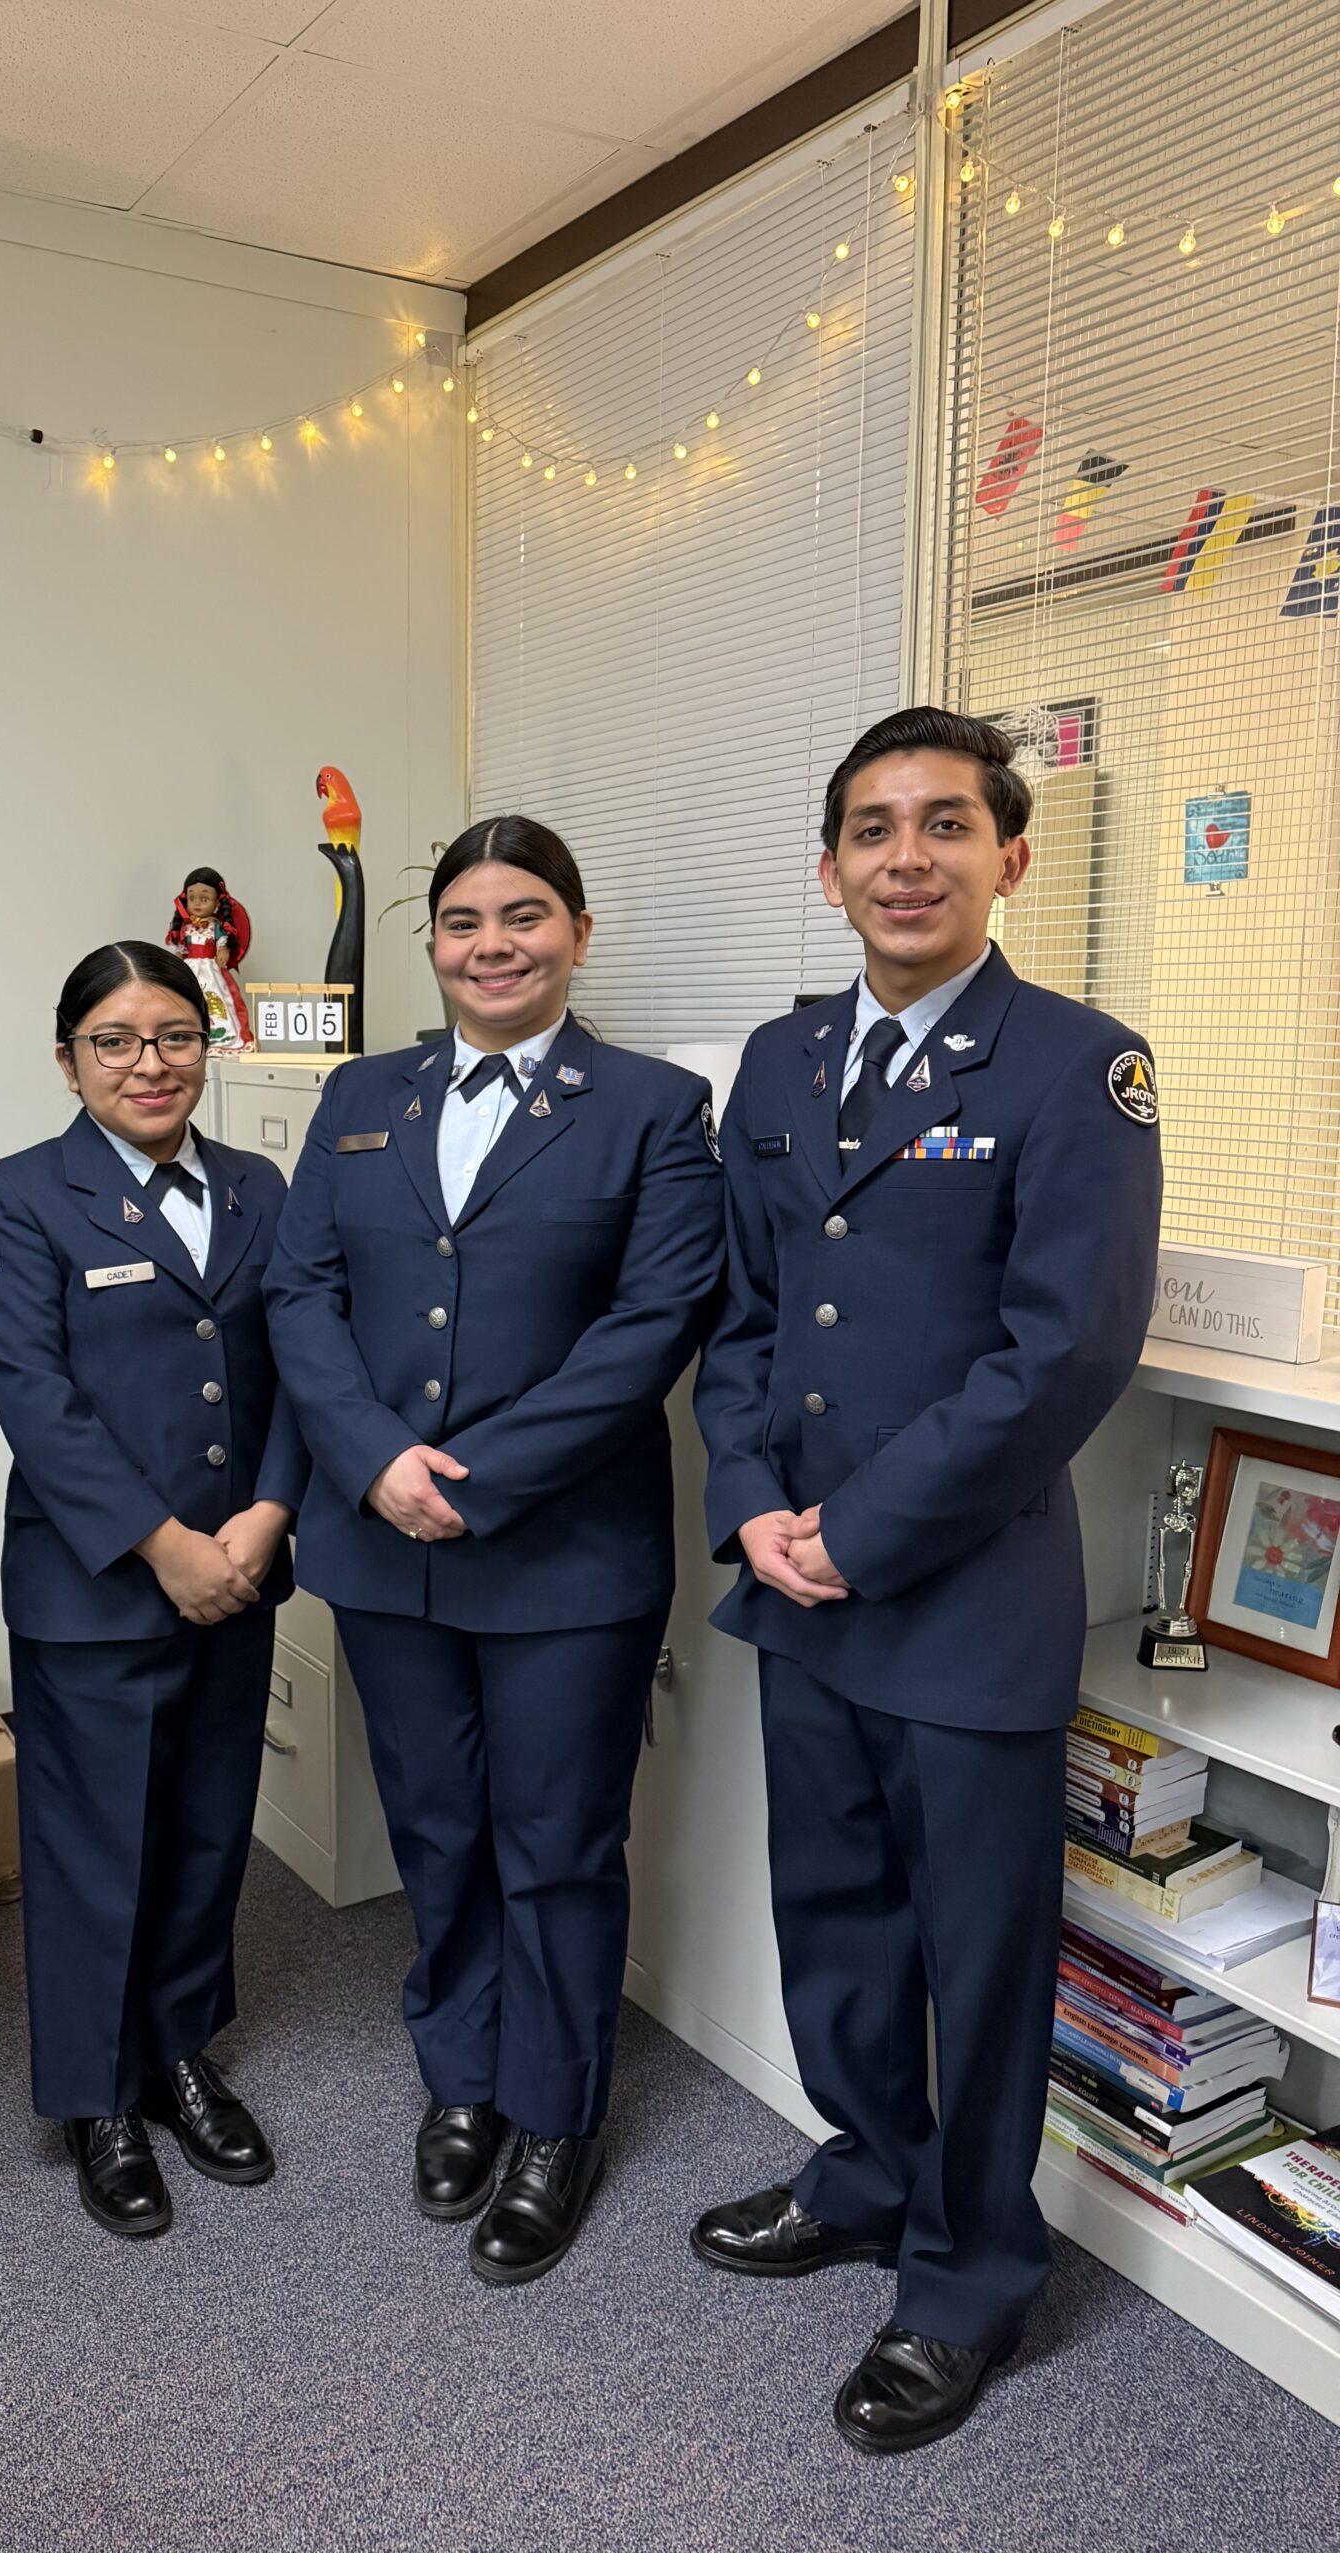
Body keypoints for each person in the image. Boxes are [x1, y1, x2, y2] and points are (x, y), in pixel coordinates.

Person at [690, 708, 1162, 2453]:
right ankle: (870, 2173)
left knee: (980, 1957)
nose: (908, 857)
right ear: (830, 871)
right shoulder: (787, 1058)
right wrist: (751, 1506)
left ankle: (967, 2277)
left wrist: (854, 1530)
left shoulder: (1076, 1066)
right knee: (837, 1921)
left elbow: (1061, 1356)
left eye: (945, 825)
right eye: (874, 830)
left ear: (1009, 857)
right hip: (798, 1588)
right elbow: (743, 1318)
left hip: (955, 1599)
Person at [264, 815, 725, 2284]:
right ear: (436, 945)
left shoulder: (653, 1108)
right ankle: (461, 2071)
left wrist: (483, 1477)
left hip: (563, 1554)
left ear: (577, 935)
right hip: (383, 1539)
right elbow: (301, 1296)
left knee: (558, 1841)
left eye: (525, 915)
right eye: (464, 921)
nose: (493, 944)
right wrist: (372, 1460)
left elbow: (654, 1324)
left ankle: (552, 2116)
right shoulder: (361, 1099)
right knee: (439, 1829)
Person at [0, 942, 307, 2236]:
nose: (149, 1063)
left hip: (245, 1571)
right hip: (101, 1585)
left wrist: (269, 1517)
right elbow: (33, 1402)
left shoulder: (259, 1188)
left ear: (203, 1050)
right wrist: (168, 1546)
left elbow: (296, 1365)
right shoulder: (19, 1198)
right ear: (68, 1061)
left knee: (209, 1828)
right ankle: (96, 2096)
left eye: (172, 1036)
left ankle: (177, 2052)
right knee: (94, 1844)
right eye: (115, 1041)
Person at [166, 867, 253, 1052]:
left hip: (211, 969)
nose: (197, 903)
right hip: (190, 970)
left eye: (204, 899)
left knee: (216, 999)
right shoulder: (185, 928)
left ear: (216, 903)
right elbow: (181, 948)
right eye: (192, 898)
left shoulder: (216, 927)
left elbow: (222, 943)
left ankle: (222, 1036)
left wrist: (223, 950)